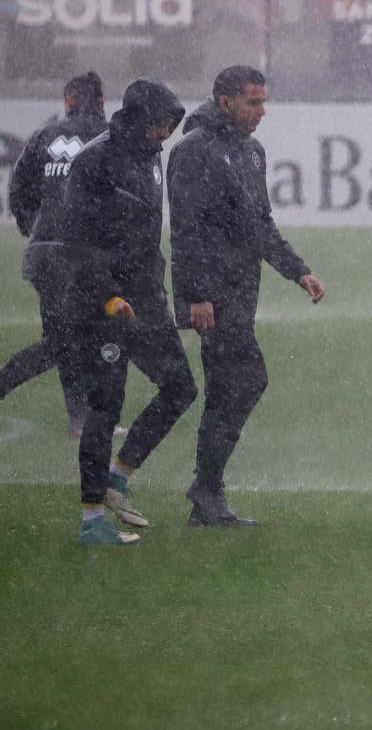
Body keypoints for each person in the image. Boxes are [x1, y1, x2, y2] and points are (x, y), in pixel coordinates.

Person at [167, 65, 324, 527]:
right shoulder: (194, 151)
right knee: (245, 379)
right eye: (253, 102)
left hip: (240, 287)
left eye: (263, 101)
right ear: (224, 102)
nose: (261, 111)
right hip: (211, 293)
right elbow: (186, 230)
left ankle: (207, 497)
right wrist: (195, 296)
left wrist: (298, 271)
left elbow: (260, 226)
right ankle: (206, 486)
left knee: (229, 386)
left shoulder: (251, 152)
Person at [59, 77, 198, 545]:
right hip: (104, 306)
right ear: (139, 119)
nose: (164, 133)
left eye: (169, 125)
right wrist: (107, 295)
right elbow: (77, 241)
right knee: (104, 407)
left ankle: (117, 479)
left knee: (180, 387)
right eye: (159, 124)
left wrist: (154, 291)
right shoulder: (93, 161)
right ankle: (91, 519)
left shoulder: (150, 156)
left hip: (145, 300)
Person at [1, 71, 106, 434]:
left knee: (64, 340)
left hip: (45, 254)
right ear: (102, 101)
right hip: (82, 256)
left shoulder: (44, 136)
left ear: (68, 101)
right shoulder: (107, 137)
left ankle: (80, 419)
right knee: (74, 341)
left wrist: (32, 225)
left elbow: (18, 185)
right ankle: (80, 416)